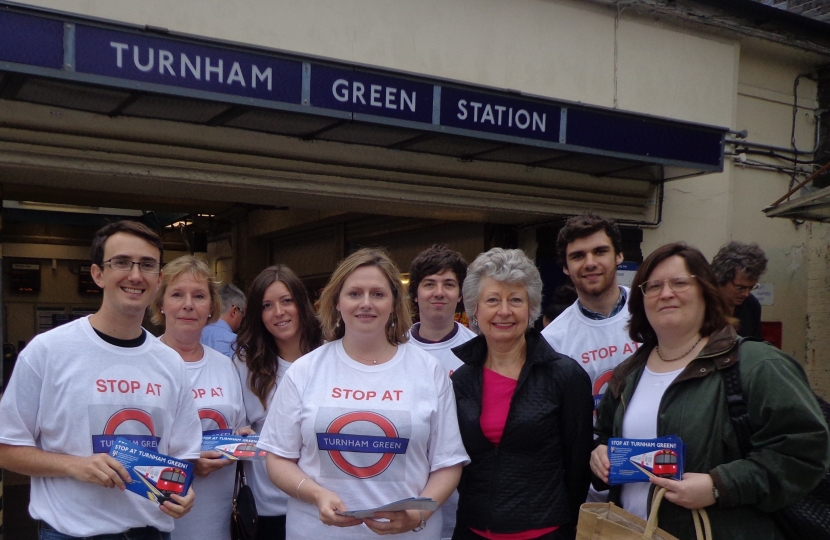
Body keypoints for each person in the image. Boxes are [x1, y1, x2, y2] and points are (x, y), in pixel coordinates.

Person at [590, 242, 829, 539]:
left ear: (705, 291)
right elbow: (602, 435)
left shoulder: (757, 365)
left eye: (679, 283)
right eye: (653, 286)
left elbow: (803, 454)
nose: (666, 293)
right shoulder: (628, 374)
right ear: (642, 300)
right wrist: (599, 452)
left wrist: (720, 485)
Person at [0, 221, 202, 540]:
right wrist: (74, 466)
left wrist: (182, 489)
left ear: (158, 279)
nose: (135, 275)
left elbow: (184, 451)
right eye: (121, 262)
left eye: (147, 265)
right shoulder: (48, 351)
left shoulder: (170, 363)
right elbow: (7, 446)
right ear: (98, 274)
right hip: (69, 533)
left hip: (149, 532)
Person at [258, 248, 469, 539]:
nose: (366, 303)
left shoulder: (429, 371)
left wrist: (420, 513)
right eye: (355, 293)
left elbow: (448, 463)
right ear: (337, 301)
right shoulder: (305, 370)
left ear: (395, 302)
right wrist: (316, 494)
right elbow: (278, 459)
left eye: (378, 294)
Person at [451, 248, 594, 540]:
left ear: (531, 308)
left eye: (515, 300)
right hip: (473, 530)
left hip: (546, 532)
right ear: (474, 309)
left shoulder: (565, 376)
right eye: (492, 300)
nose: (504, 311)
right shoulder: (462, 380)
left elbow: (578, 467)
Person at [152, 256, 248, 540]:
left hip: (217, 515)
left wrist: (241, 440)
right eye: (177, 294)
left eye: (198, 296)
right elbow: (131, 444)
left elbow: (237, 425)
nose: (188, 305)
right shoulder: (146, 363)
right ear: (161, 303)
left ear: (211, 308)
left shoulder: (224, 365)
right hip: (161, 516)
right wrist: (189, 462)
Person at [233, 265, 324, 540]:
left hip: (321, 502)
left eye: (287, 301)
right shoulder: (243, 364)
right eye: (267, 305)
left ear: (301, 303)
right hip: (267, 506)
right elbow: (237, 426)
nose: (279, 312)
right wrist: (237, 436)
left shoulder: (330, 355)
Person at [407, 245, 477, 539]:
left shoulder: (479, 349)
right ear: (415, 294)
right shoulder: (395, 350)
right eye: (429, 284)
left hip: (467, 499)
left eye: (449, 284)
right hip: (409, 496)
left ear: (460, 294)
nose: (439, 292)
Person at [542, 213, 640, 412]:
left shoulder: (651, 313)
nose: (590, 263)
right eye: (578, 256)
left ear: (619, 256)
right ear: (565, 267)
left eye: (600, 251)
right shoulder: (552, 341)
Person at [711, 241, 767, 339]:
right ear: (720, 279)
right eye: (740, 288)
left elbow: (755, 344)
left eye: (751, 287)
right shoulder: (702, 306)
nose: (746, 294)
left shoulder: (751, 305)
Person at [200, 283, 247, 358]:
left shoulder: (194, 336)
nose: (242, 319)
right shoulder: (236, 345)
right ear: (234, 311)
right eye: (242, 313)